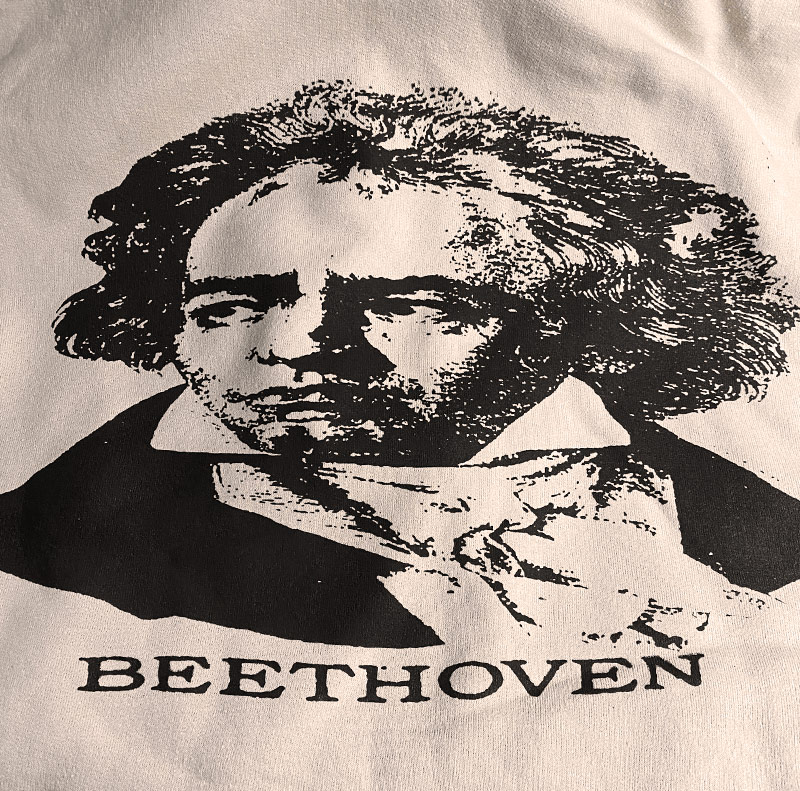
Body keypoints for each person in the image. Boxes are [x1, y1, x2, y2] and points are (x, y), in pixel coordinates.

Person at [1, 81, 798, 648]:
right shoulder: (38, 561)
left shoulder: (756, 529)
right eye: (229, 307)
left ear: (574, 321)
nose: (292, 345)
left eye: (408, 304)